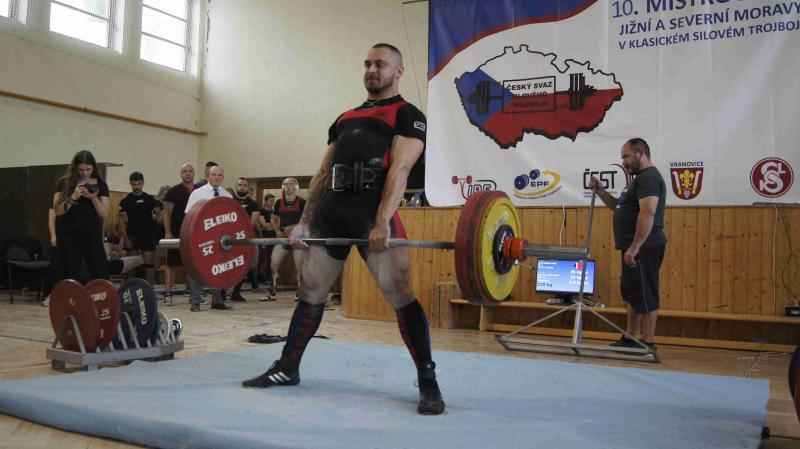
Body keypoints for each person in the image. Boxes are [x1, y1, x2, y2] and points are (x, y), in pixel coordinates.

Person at [242, 43, 444, 415]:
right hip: (333, 211)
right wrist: (305, 222)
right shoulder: (345, 118)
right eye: (368, 63)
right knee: (310, 291)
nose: (372, 70)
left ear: (398, 71)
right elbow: (322, 173)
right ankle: (288, 366)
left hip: (373, 210)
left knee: (400, 294)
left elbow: (400, 169)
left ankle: (427, 379)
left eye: (380, 64)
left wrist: (382, 221)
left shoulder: (407, 114)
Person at [590, 137, 667, 351]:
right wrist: (601, 191)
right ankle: (630, 338)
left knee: (646, 294)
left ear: (640, 153)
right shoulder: (638, 180)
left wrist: (635, 247)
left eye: (626, 156)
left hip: (645, 246)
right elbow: (619, 207)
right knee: (634, 294)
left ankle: (647, 343)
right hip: (634, 247)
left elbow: (648, 213)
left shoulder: (648, 178)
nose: (623, 161)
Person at [52, 150, 110, 282]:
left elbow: (105, 213)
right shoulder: (64, 182)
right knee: (70, 272)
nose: (84, 173)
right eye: (81, 170)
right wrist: (73, 197)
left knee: (100, 271)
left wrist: (93, 197)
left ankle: (102, 294)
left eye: (88, 169)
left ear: (94, 168)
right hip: (69, 234)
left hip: (91, 233)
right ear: (75, 168)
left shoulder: (100, 184)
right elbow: (58, 211)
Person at [184, 165, 233, 312]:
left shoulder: (227, 195)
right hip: (200, 237)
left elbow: (231, 218)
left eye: (219, 175)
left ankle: (217, 300)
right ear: (208, 176)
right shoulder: (198, 193)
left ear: (223, 177)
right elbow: (188, 215)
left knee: (219, 269)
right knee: (198, 268)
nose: (217, 177)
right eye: (214, 174)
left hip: (220, 239)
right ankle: (195, 302)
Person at [118, 172, 162, 284]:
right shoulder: (126, 200)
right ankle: (130, 289)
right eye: (134, 184)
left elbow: (159, 214)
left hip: (148, 235)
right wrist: (125, 238)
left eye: (139, 184)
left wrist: (158, 217)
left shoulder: (150, 199)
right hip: (132, 235)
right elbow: (121, 221)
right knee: (130, 265)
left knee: (149, 263)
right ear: (130, 184)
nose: (136, 187)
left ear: (143, 183)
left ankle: (149, 289)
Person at [162, 164, 196, 305]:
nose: (188, 173)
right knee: (171, 265)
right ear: (181, 174)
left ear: (194, 173)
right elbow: (167, 213)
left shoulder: (199, 191)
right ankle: (167, 294)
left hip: (194, 234)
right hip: (176, 233)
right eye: (184, 171)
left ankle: (194, 295)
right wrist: (168, 232)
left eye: (190, 171)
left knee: (193, 265)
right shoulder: (173, 191)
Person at [268, 177, 306, 299]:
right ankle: (273, 288)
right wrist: (277, 231)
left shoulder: (302, 202)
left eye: (291, 184)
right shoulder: (279, 202)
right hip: (284, 238)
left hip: (297, 238)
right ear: (283, 187)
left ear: (296, 187)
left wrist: (292, 227)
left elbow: (306, 221)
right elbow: (272, 219)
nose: (288, 186)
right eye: (286, 184)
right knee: (274, 263)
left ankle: (299, 291)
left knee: (299, 266)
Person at [230, 177, 261, 301]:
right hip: (230, 238)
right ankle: (221, 294)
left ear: (248, 188)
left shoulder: (254, 204)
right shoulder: (230, 201)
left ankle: (236, 293)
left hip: (246, 239)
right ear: (236, 187)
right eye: (240, 185)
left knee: (245, 265)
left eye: (245, 185)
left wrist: (238, 227)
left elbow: (251, 223)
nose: (242, 187)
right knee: (228, 266)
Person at [257, 193, 277, 301]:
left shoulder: (274, 212)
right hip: (265, 237)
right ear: (265, 201)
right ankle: (260, 278)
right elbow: (264, 225)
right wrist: (274, 225)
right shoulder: (261, 211)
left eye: (273, 201)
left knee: (272, 259)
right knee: (263, 258)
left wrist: (273, 226)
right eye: (270, 201)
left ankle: (270, 279)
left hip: (274, 237)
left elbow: (278, 225)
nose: (271, 203)